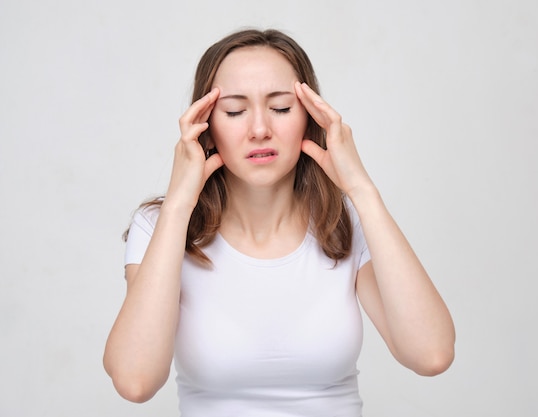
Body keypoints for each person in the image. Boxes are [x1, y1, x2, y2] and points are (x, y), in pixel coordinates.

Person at [103, 28, 455, 416]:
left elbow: (432, 354)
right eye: (235, 111)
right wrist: (179, 206)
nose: (259, 130)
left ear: (310, 117)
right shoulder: (160, 226)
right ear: (204, 125)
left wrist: (361, 190)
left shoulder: (344, 221)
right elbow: (135, 381)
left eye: (281, 108)